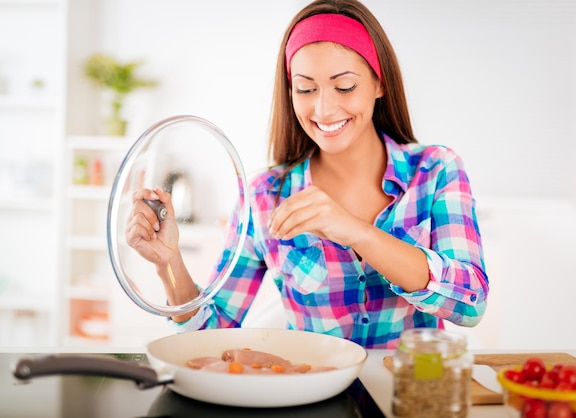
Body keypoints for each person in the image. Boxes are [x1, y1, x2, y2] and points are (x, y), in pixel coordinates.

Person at [126, 0, 489, 349]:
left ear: (380, 84)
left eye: (344, 86)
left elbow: (470, 304)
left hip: (414, 398)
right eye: (306, 88)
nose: (324, 108)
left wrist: (355, 231)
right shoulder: (264, 196)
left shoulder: (435, 170)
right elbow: (208, 336)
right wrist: (168, 262)